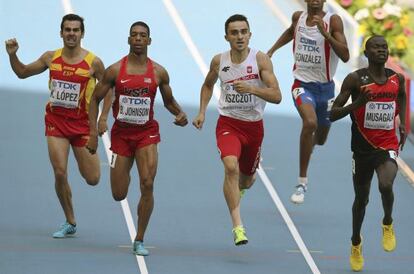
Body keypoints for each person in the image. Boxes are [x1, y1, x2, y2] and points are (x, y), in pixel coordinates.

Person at [86, 21, 188, 256]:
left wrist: (180, 113)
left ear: (149, 41)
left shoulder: (159, 72)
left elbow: (169, 101)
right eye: (135, 35)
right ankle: (125, 170)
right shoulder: (114, 71)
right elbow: (94, 100)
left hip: (147, 134)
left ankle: (140, 238)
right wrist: (93, 132)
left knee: (148, 183)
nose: (139, 39)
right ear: (129, 40)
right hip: (121, 136)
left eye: (143, 35)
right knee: (118, 194)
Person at [5, 14, 108, 238]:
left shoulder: (94, 62)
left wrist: (101, 119)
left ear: (82, 34)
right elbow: (22, 73)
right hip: (56, 123)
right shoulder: (51, 57)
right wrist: (13, 56)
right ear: (61, 33)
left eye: (76, 30)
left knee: (93, 179)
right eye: (67, 29)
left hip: (81, 126)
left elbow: (109, 89)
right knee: (60, 172)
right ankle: (70, 220)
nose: (71, 33)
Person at [193, 14, 282, 245]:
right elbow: (207, 85)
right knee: (230, 167)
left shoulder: (260, 60)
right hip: (228, 123)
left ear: (250, 34)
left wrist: (253, 90)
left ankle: (239, 189)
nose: (239, 36)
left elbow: (277, 96)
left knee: (246, 181)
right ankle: (238, 227)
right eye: (234, 32)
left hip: (253, 127)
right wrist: (202, 111)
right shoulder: (219, 61)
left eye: (243, 32)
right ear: (227, 37)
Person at [330, 35, 407, 272]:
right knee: (361, 200)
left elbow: (402, 97)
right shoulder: (355, 80)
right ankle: (356, 242)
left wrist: (402, 123)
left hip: (387, 146)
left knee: (386, 184)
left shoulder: (397, 79)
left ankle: (387, 222)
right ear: (366, 52)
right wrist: (358, 103)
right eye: (376, 47)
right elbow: (332, 114)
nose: (382, 50)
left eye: (385, 47)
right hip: (362, 149)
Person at [267, 0, 349, 204]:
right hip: (302, 85)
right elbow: (290, 31)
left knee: (320, 138)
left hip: (326, 90)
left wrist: (326, 34)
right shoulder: (299, 17)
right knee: (310, 123)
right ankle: (302, 182)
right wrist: (271, 51)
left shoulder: (333, 21)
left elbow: (346, 56)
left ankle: (310, 144)